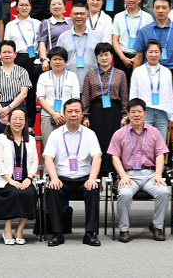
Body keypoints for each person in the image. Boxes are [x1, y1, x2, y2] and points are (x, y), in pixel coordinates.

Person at [108, 99, 171, 242]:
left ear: (145, 114)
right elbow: (115, 157)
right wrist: (123, 176)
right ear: (128, 114)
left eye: (139, 112)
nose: (136, 115)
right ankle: (124, 229)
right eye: (133, 112)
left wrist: (158, 174)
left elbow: (160, 155)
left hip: (150, 175)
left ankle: (157, 227)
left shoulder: (154, 132)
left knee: (163, 192)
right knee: (124, 194)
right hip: (129, 175)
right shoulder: (119, 134)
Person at [42, 100, 104, 246]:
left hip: (84, 179)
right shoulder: (55, 135)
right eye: (69, 111)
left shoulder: (90, 134)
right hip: (62, 179)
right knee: (53, 189)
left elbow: (97, 157)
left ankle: (90, 233)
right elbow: (48, 158)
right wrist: (54, 178)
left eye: (77, 111)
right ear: (64, 114)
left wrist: (92, 178)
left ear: (82, 114)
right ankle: (57, 234)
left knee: (93, 188)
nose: (73, 114)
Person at [0, 109, 39, 245]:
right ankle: (7, 229)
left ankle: (20, 230)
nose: (18, 122)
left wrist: (29, 178)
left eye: (21, 119)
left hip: (25, 179)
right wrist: (10, 180)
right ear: (9, 121)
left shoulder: (31, 140)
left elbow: (35, 162)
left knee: (30, 194)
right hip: (6, 180)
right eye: (15, 118)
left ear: (25, 122)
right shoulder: (1, 138)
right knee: (15, 193)